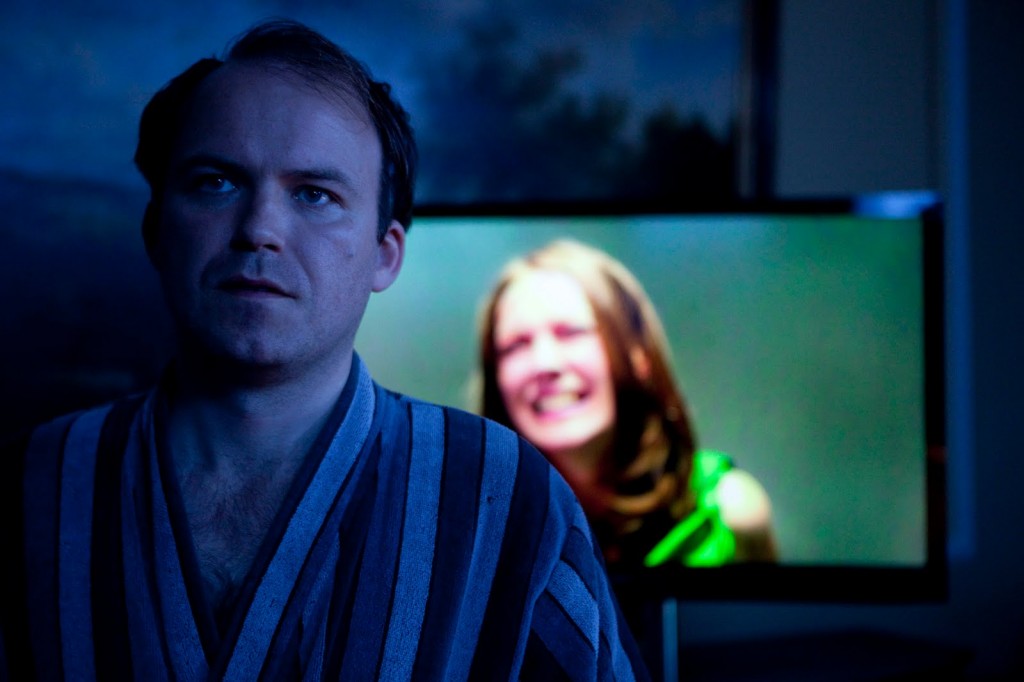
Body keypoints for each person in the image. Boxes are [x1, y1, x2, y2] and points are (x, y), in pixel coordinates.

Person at [0, 21, 650, 681]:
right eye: (216, 182)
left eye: (315, 195)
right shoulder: (30, 487)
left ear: (384, 254)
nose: (260, 229)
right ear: (155, 230)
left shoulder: (509, 497)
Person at [476, 238, 779, 572]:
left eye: (571, 333)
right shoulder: (472, 531)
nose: (545, 363)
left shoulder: (728, 511)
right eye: (515, 346)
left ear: (638, 355)